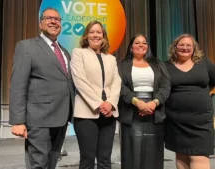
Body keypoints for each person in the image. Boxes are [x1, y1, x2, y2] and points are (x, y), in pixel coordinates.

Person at [9, 7, 74, 169]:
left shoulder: (65, 52)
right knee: (38, 164)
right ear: (40, 24)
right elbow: (18, 84)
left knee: (51, 162)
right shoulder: (26, 47)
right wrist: (18, 121)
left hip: (61, 118)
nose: (53, 21)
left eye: (57, 19)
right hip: (38, 120)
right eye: (49, 18)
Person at [70, 21, 121, 169]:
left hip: (109, 114)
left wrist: (110, 103)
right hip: (87, 114)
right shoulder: (78, 53)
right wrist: (100, 104)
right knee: (87, 160)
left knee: (105, 161)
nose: (95, 35)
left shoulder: (110, 58)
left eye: (99, 32)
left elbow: (116, 82)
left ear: (104, 37)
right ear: (86, 36)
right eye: (92, 32)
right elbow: (80, 81)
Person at [164, 34, 215, 169]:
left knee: (200, 157)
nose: (185, 48)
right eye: (181, 45)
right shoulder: (165, 66)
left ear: (194, 48)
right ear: (174, 48)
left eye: (189, 45)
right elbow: (162, 89)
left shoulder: (205, 63)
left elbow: (213, 83)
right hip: (176, 121)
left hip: (201, 120)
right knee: (182, 155)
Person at [117, 34, 171, 169]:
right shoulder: (121, 65)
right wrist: (137, 102)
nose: (141, 45)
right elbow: (119, 86)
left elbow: (166, 86)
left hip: (155, 111)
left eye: (144, 43)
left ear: (148, 47)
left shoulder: (159, 64)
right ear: (130, 48)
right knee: (131, 155)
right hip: (130, 111)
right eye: (137, 43)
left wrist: (154, 103)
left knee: (153, 154)